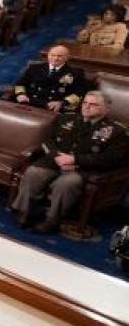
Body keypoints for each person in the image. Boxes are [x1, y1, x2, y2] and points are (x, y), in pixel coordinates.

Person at [11, 91, 129, 233]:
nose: (86, 107)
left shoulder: (117, 131)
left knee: (65, 184)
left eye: (93, 105)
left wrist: (74, 159)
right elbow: (48, 141)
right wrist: (56, 156)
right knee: (33, 172)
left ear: (106, 108)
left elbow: (109, 159)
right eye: (85, 103)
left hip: (82, 169)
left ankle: (51, 220)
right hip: (54, 161)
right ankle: (24, 212)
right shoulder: (66, 118)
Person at [14, 44, 86, 113]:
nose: (55, 58)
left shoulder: (75, 73)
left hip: (53, 108)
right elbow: (20, 84)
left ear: (67, 57)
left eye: (59, 56)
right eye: (52, 55)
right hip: (29, 103)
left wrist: (62, 103)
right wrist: (21, 94)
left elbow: (79, 94)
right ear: (48, 55)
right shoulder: (34, 68)